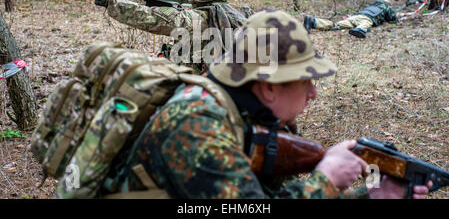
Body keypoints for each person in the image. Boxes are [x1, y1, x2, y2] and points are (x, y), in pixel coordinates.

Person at [113, 10, 431, 199]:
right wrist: (327, 179)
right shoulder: (197, 128)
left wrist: (374, 193)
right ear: (267, 87)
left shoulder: (246, 115)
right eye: (306, 80)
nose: (313, 94)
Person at [94, 0, 254, 73]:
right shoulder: (239, 14)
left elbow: (150, 17)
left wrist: (111, 1)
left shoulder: (199, 18)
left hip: (196, 88)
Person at [303, 0, 397, 38]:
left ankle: (313, 22)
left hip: (355, 17)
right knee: (366, 24)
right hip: (366, 19)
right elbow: (392, 18)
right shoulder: (385, 7)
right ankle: (359, 30)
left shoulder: (372, 5)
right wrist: (395, 20)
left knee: (337, 25)